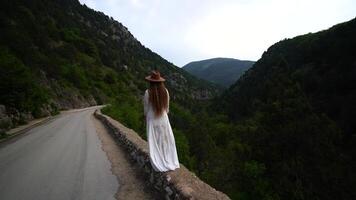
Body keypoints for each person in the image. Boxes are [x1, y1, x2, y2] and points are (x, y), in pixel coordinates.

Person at [143, 70, 180, 172]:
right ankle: (167, 158)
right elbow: (167, 109)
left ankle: (158, 159)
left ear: (150, 81)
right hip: (163, 118)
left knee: (154, 140)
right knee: (165, 139)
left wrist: (147, 117)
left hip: (152, 119)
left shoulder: (147, 93)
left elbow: (146, 110)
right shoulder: (166, 92)